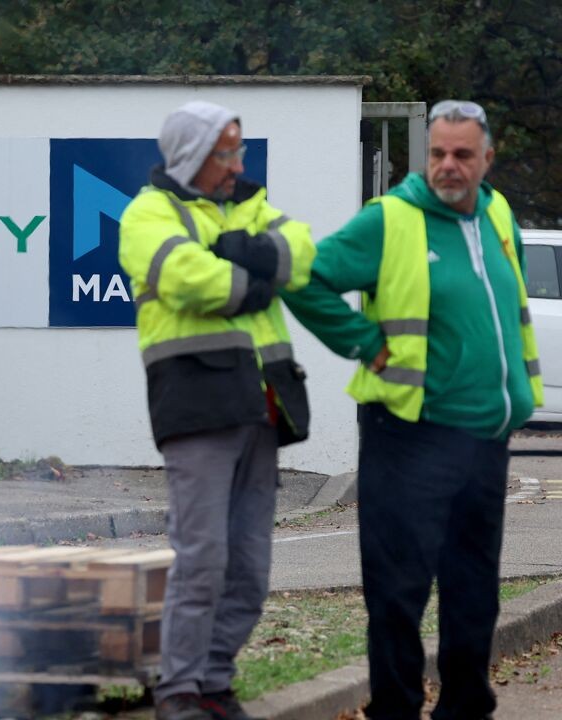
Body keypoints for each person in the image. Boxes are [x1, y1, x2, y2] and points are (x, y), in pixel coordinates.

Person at [280, 100, 542, 720]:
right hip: (409, 434)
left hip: (485, 434)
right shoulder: (390, 219)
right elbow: (303, 278)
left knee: (473, 586)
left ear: (487, 159)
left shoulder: (500, 214)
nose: (448, 166)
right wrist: (364, 343)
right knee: (399, 590)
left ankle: (465, 704)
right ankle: (395, 708)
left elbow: (511, 309)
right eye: (438, 154)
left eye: (462, 155)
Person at [118, 100, 315, 720]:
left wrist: (239, 252)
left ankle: (213, 682)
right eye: (225, 153)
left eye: (239, 151)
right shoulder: (148, 213)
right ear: (193, 156)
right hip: (197, 405)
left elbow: (301, 250)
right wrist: (255, 273)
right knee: (202, 559)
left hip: (262, 405)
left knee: (250, 569)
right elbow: (187, 280)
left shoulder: (250, 202)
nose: (237, 164)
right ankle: (178, 690)